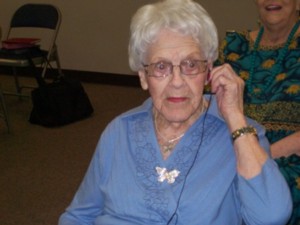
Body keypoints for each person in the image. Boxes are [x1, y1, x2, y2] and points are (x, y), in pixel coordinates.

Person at [58, 0, 292, 224]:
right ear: (143, 77)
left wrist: (235, 118)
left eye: (191, 65)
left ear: (209, 71)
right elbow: (79, 215)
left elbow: (271, 216)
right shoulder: (119, 131)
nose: (177, 82)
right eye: (161, 67)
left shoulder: (241, 135)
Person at [216, 0, 300, 224]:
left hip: (290, 161)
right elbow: (209, 110)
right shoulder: (234, 46)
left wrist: (258, 158)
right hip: (233, 154)